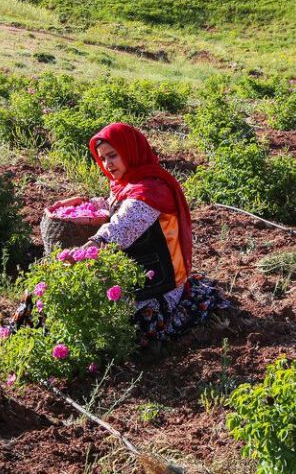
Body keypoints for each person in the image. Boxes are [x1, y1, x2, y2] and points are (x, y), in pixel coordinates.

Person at [48, 122, 225, 346]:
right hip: (138, 271)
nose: (107, 164)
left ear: (130, 151)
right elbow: (116, 205)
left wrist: (87, 248)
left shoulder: (150, 191)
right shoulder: (130, 183)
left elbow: (120, 227)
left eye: (113, 155)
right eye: (102, 158)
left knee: (116, 331)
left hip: (157, 284)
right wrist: (83, 203)